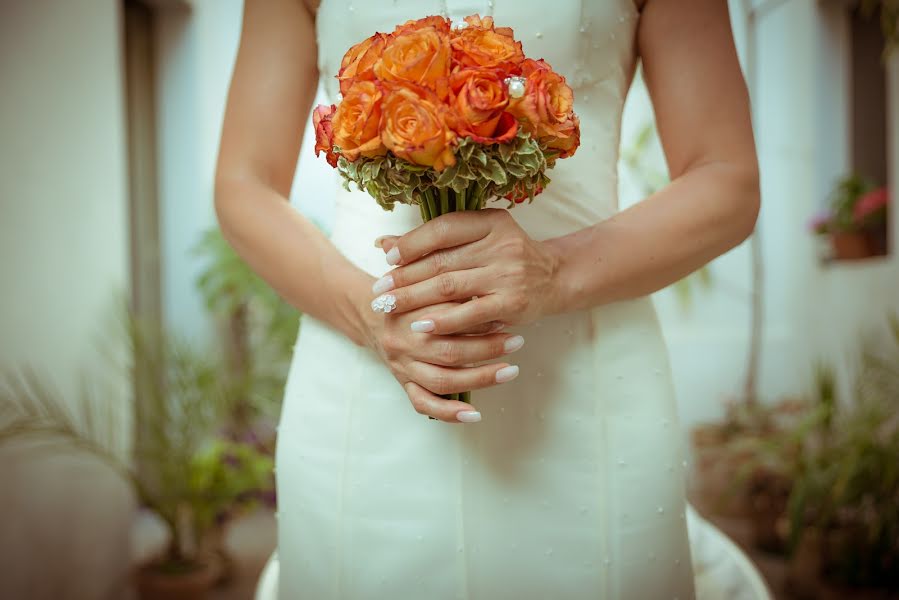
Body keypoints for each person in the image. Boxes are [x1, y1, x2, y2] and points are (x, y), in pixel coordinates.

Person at [215, 0, 759, 597]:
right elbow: (244, 183)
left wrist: (554, 272)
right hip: (361, 379)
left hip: (590, 379)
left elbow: (726, 177)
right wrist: (372, 317)